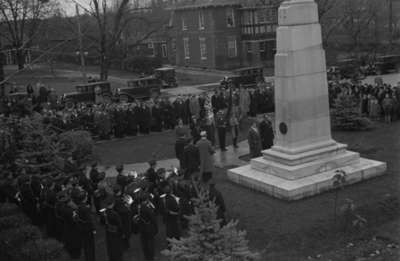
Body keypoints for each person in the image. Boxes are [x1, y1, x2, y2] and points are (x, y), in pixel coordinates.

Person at [73, 188, 96, 261]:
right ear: (85, 198)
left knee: (86, 245)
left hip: (82, 228)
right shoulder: (85, 208)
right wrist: (93, 229)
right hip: (87, 229)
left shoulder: (78, 206)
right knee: (90, 246)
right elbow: (90, 220)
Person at [101, 196, 125, 261]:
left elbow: (102, 222)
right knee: (117, 248)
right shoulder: (115, 214)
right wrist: (122, 233)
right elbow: (120, 225)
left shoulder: (104, 212)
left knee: (110, 247)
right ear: (113, 204)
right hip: (116, 233)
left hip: (108, 233)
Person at [136, 192, 158, 261]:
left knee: (144, 243)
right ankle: (151, 257)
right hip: (148, 227)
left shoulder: (139, 207)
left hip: (142, 227)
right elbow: (153, 218)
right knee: (150, 243)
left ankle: (146, 256)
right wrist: (156, 228)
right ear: (147, 199)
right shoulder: (147, 208)